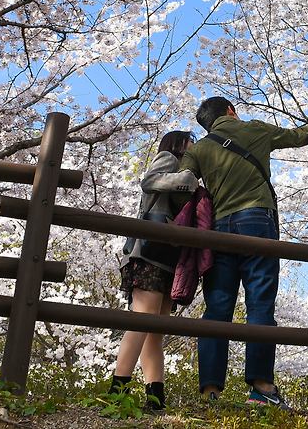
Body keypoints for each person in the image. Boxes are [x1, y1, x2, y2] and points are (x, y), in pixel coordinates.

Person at [181, 97, 308, 408]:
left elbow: (182, 182)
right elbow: (296, 136)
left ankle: (211, 393)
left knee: (217, 308)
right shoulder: (255, 130)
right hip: (256, 221)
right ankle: (262, 389)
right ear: (230, 111)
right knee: (260, 303)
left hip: (218, 228)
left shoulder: (199, 149)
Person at [110, 130, 199, 411]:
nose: (194, 148)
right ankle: (117, 391)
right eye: (190, 143)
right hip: (148, 254)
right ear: (179, 144)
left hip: (167, 257)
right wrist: (188, 181)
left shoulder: (186, 170)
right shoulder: (169, 159)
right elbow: (148, 182)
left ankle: (155, 398)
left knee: (155, 330)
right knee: (143, 320)